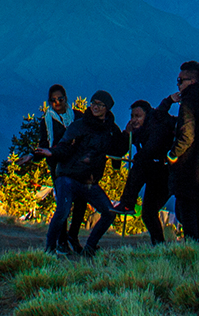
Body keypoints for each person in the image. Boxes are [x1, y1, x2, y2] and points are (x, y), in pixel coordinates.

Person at [44, 90, 124, 256]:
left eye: (99, 104)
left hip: (89, 181)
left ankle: (89, 248)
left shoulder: (111, 129)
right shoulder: (80, 125)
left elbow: (119, 149)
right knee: (63, 211)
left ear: (107, 108)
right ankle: (50, 249)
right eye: (93, 103)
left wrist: (129, 133)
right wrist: (52, 152)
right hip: (68, 176)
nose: (95, 107)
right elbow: (65, 145)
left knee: (109, 213)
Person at [31, 84, 89, 252]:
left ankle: (73, 234)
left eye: (60, 99)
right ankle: (61, 241)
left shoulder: (78, 117)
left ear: (66, 98)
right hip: (58, 166)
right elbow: (44, 144)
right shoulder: (46, 121)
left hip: (78, 166)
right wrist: (33, 156)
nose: (57, 102)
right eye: (53, 100)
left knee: (81, 202)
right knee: (63, 203)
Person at [168, 61, 199, 247]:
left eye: (180, 80)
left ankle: (192, 260)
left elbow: (186, 134)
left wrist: (172, 155)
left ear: (191, 80)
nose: (179, 85)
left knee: (187, 217)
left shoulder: (189, 100)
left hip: (188, 168)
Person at [113, 98, 175, 244]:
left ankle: (127, 202)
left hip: (164, 172)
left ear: (147, 116)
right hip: (152, 170)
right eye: (132, 116)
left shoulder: (157, 127)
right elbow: (120, 149)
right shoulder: (139, 131)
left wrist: (138, 157)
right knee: (148, 213)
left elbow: (150, 150)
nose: (134, 120)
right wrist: (126, 134)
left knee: (149, 212)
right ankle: (159, 245)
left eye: (138, 116)